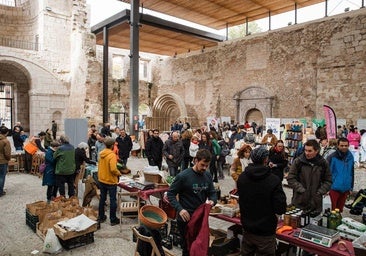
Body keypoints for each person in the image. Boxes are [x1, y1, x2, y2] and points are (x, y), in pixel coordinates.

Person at [237, 147, 287, 256]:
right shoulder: (273, 180)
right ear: (266, 159)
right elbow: (281, 207)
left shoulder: (242, 177)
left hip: (247, 227)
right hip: (265, 231)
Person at [167, 149, 217, 256]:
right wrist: (180, 209)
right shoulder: (183, 176)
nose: (204, 168)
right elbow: (170, 194)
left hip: (200, 218)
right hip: (186, 218)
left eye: (206, 166)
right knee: (187, 248)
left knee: (200, 246)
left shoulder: (207, 176)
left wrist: (213, 201)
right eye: (202, 165)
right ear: (195, 160)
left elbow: (212, 193)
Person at [287, 139, 332, 214]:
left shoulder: (323, 163)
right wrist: (301, 189)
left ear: (316, 151)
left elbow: (328, 180)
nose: (307, 153)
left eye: (310, 151)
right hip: (299, 201)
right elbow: (291, 178)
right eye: (305, 150)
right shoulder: (298, 161)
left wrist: (320, 192)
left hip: (316, 203)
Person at [97, 137, 121, 227]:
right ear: (112, 146)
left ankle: (101, 216)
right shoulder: (112, 155)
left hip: (102, 179)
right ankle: (113, 219)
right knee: (112, 200)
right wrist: (119, 173)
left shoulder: (101, 154)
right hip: (110, 181)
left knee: (102, 199)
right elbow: (113, 169)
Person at [327, 138, 354, 212]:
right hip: (334, 187)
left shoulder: (350, 157)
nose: (344, 147)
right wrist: (326, 187)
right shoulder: (332, 157)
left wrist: (351, 187)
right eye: (342, 145)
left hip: (345, 188)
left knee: (339, 210)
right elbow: (326, 173)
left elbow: (351, 172)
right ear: (338, 146)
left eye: (346, 145)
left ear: (348, 146)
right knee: (332, 210)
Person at [0, 126, 11, 197]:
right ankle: (0, 191)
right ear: (6, 133)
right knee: (1, 176)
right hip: (2, 161)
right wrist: (8, 159)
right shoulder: (5, 141)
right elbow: (7, 153)